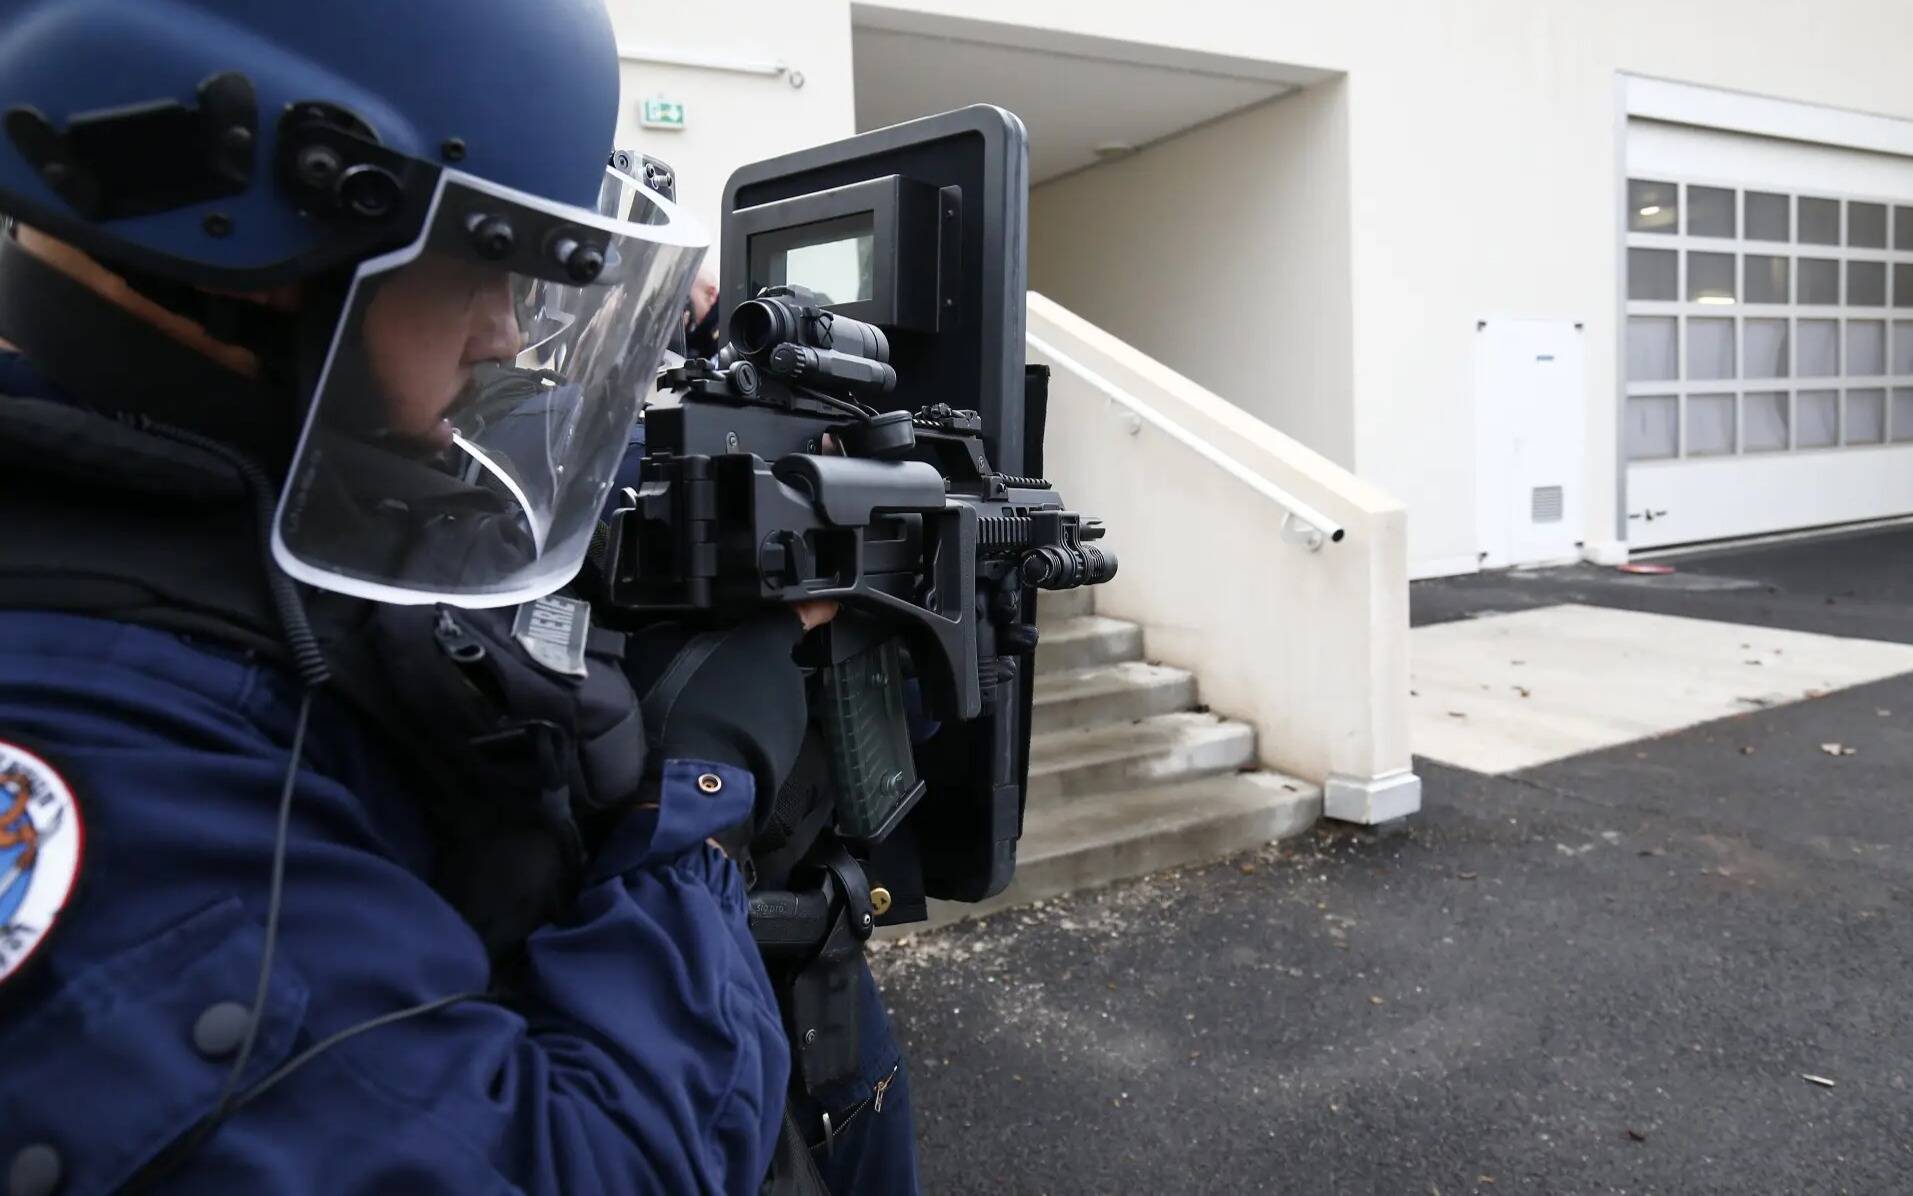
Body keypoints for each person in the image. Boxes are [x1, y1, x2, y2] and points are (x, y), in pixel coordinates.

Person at [0, 2, 819, 1191]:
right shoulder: (75, 726)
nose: (501, 332)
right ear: (276, 239)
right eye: (490, 257)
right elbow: (573, 1165)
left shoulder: (227, 498)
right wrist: (701, 794)